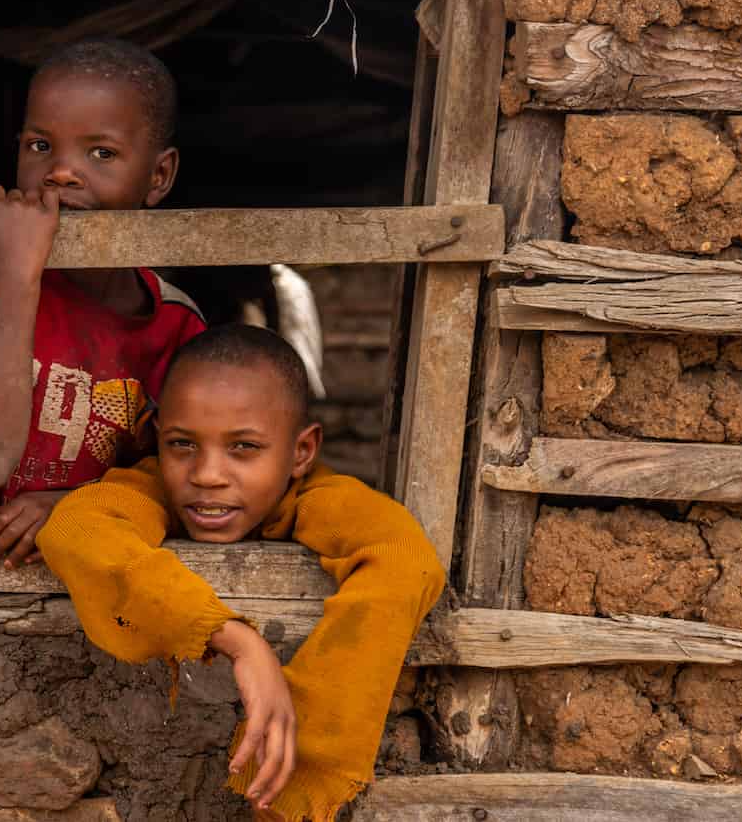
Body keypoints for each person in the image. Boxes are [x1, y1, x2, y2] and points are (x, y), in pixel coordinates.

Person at [37, 325, 445, 822]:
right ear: (155, 438)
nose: (207, 474)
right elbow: (76, 527)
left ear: (302, 452)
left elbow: (405, 558)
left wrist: (302, 749)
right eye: (182, 444)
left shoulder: (322, 497)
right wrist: (233, 638)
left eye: (244, 448)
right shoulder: (151, 487)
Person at [0, 38, 207, 566]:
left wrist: (76, 506)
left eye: (102, 153)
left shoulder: (178, 326)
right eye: (40, 146)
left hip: (87, 581)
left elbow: (180, 481)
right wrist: (17, 274)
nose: (62, 172)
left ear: (159, 176)